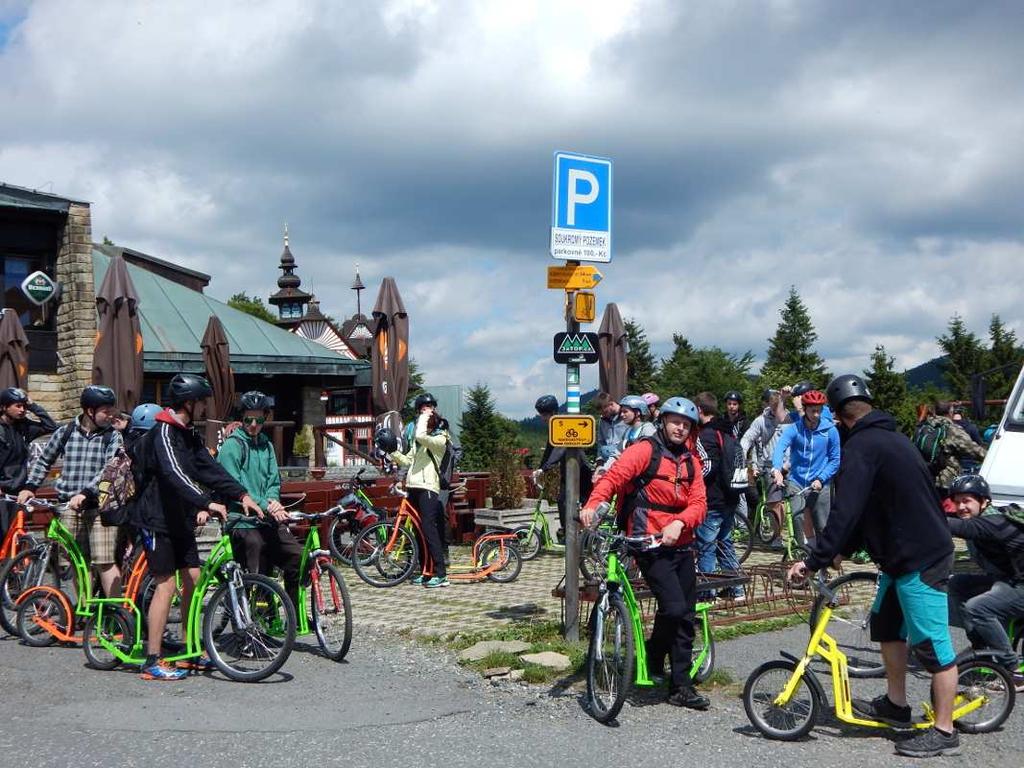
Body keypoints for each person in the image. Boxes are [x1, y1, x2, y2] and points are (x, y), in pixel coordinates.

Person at [789, 374, 960, 759]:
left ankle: (945, 731)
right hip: (900, 557)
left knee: (933, 648)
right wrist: (840, 551)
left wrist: (815, 558)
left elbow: (845, 510)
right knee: (886, 628)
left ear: (837, 415)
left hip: (921, 558)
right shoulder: (891, 438)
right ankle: (895, 706)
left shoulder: (863, 447)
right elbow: (867, 510)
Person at [130, 373, 263, 680]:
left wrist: (240, 494)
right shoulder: (164, 431)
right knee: (166, 585)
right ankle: (152, 659)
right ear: (189, 402)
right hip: (156, 520)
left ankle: (191, 649)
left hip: (179, 520)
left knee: (193, 576)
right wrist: (206, 502)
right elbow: (174, 474)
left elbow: (209, 468)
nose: (205, 407)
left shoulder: (187, 433)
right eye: (202, 401)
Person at [581, 396, 708, 709]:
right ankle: (654, 655)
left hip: (681, 543)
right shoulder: (644, 451)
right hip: (647, 542)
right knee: (675, 608)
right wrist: (594, 504)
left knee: (684, 613)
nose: (680, 428)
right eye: (675, 421)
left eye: (686, 424)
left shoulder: (691, 462)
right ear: (663, 421)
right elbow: (613, 478)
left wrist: (680, 522)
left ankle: (680, 686)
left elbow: (699, 503)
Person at [19, 385, 124, 598]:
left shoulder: (112, 436)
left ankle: (114, 612)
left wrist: (86, 492)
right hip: (68, 505)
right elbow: (44, 460)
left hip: (100, 507)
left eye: (111, 410)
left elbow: (109, 470)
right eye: (106, 411)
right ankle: (84, 608)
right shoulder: (65, 432)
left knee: (104, 562)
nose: (110, 415)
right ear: (89, 411)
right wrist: (30, 487)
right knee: (78, 562)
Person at [217, 391, 302, 612]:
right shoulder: (232, 446)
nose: (254, 425)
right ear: (241, 418)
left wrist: (272, 502)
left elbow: (274, 481)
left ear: (266, 418)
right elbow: (234, 485)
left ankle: (291, 615)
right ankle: (253, 613)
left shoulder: (267, 445)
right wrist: (267, 504)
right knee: (257, 546)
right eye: (248, 420)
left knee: (297, 556)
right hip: (241, 519)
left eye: (259, 420)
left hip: (266, 518)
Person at [945, 474, 1024, 691]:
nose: (961, 507)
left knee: (977, 607)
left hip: (1020, 585)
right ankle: (983, 649)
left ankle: (1014, 671)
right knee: (957, 584)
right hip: (1009, 580)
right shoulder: (982, 521)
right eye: (957, 501)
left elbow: (956, 527)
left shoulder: (992, 522)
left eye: (967, 501)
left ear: (983, 501)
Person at [388, 392, 451, 588]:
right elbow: (407, 460)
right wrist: (391, 451)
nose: (424, 417)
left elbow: (420, 434)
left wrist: (424, 414)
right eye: (422, 414)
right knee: (418, 532)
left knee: (428, 529)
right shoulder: (421, 442)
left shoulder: (440, 439)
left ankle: (441, 574)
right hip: (414, 486)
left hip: (428, 488)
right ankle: (426, 571)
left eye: (428, 414)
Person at [771, 389, 840, 549]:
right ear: (805, 409)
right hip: (797, 481)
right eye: (812, 411)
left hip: (819, 482)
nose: (816, 415)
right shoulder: (795, 428)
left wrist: (821, 479)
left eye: (819, 411)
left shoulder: (830, 430)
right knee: (797, 518)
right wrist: (776, 469)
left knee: (822, 526)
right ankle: (804, 554)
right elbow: (780, 447)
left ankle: (823, 563)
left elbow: (835, 460)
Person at [693, 392, 742, 584]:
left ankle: (707, 589)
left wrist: (691, 483)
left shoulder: (706, 434)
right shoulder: (728, 430)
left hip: (713, 497)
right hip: (731, 494)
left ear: (699, 410)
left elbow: (707, 465)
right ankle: (735, 588)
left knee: (706, 545)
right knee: (725, 542)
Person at [532, 395, 593, 542]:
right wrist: (540, 468)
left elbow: (561, 449)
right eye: (541, 414)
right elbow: (549, 450)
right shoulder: (554, 425)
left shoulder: (563, 423)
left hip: (581, 471)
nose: (542, 418)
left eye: (544, 414)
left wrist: (545, 468)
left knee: (584, 503)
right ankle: (569, 534)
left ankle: (587, 536)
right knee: (562, 501)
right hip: (568, 472)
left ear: (553, 412)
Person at [0, 387, 56, 538]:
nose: (22, 410)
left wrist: (33, 406)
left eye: (24, 406)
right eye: (18, 406)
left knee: (16, 534)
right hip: (2, 491)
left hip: (19, 491)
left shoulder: (24, 426)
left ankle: (14, 561)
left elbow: (50, 426)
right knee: (4, 534)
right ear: (4, 407)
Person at [919, 401, 986, 491]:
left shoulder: (924, 427)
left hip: (924, 478)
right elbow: (974, 450)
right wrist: (991, 458)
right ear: (950, 412)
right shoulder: (952, 430)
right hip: (945, 481)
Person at [593, 391, 627, 462]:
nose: (603, 415)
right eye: (601, 413)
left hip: (623, 457)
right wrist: (599, 461)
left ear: (611, 404)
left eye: (605, 412)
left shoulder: (626, 417)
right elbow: (601, 442)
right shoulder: (603, 420)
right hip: (607, 459)